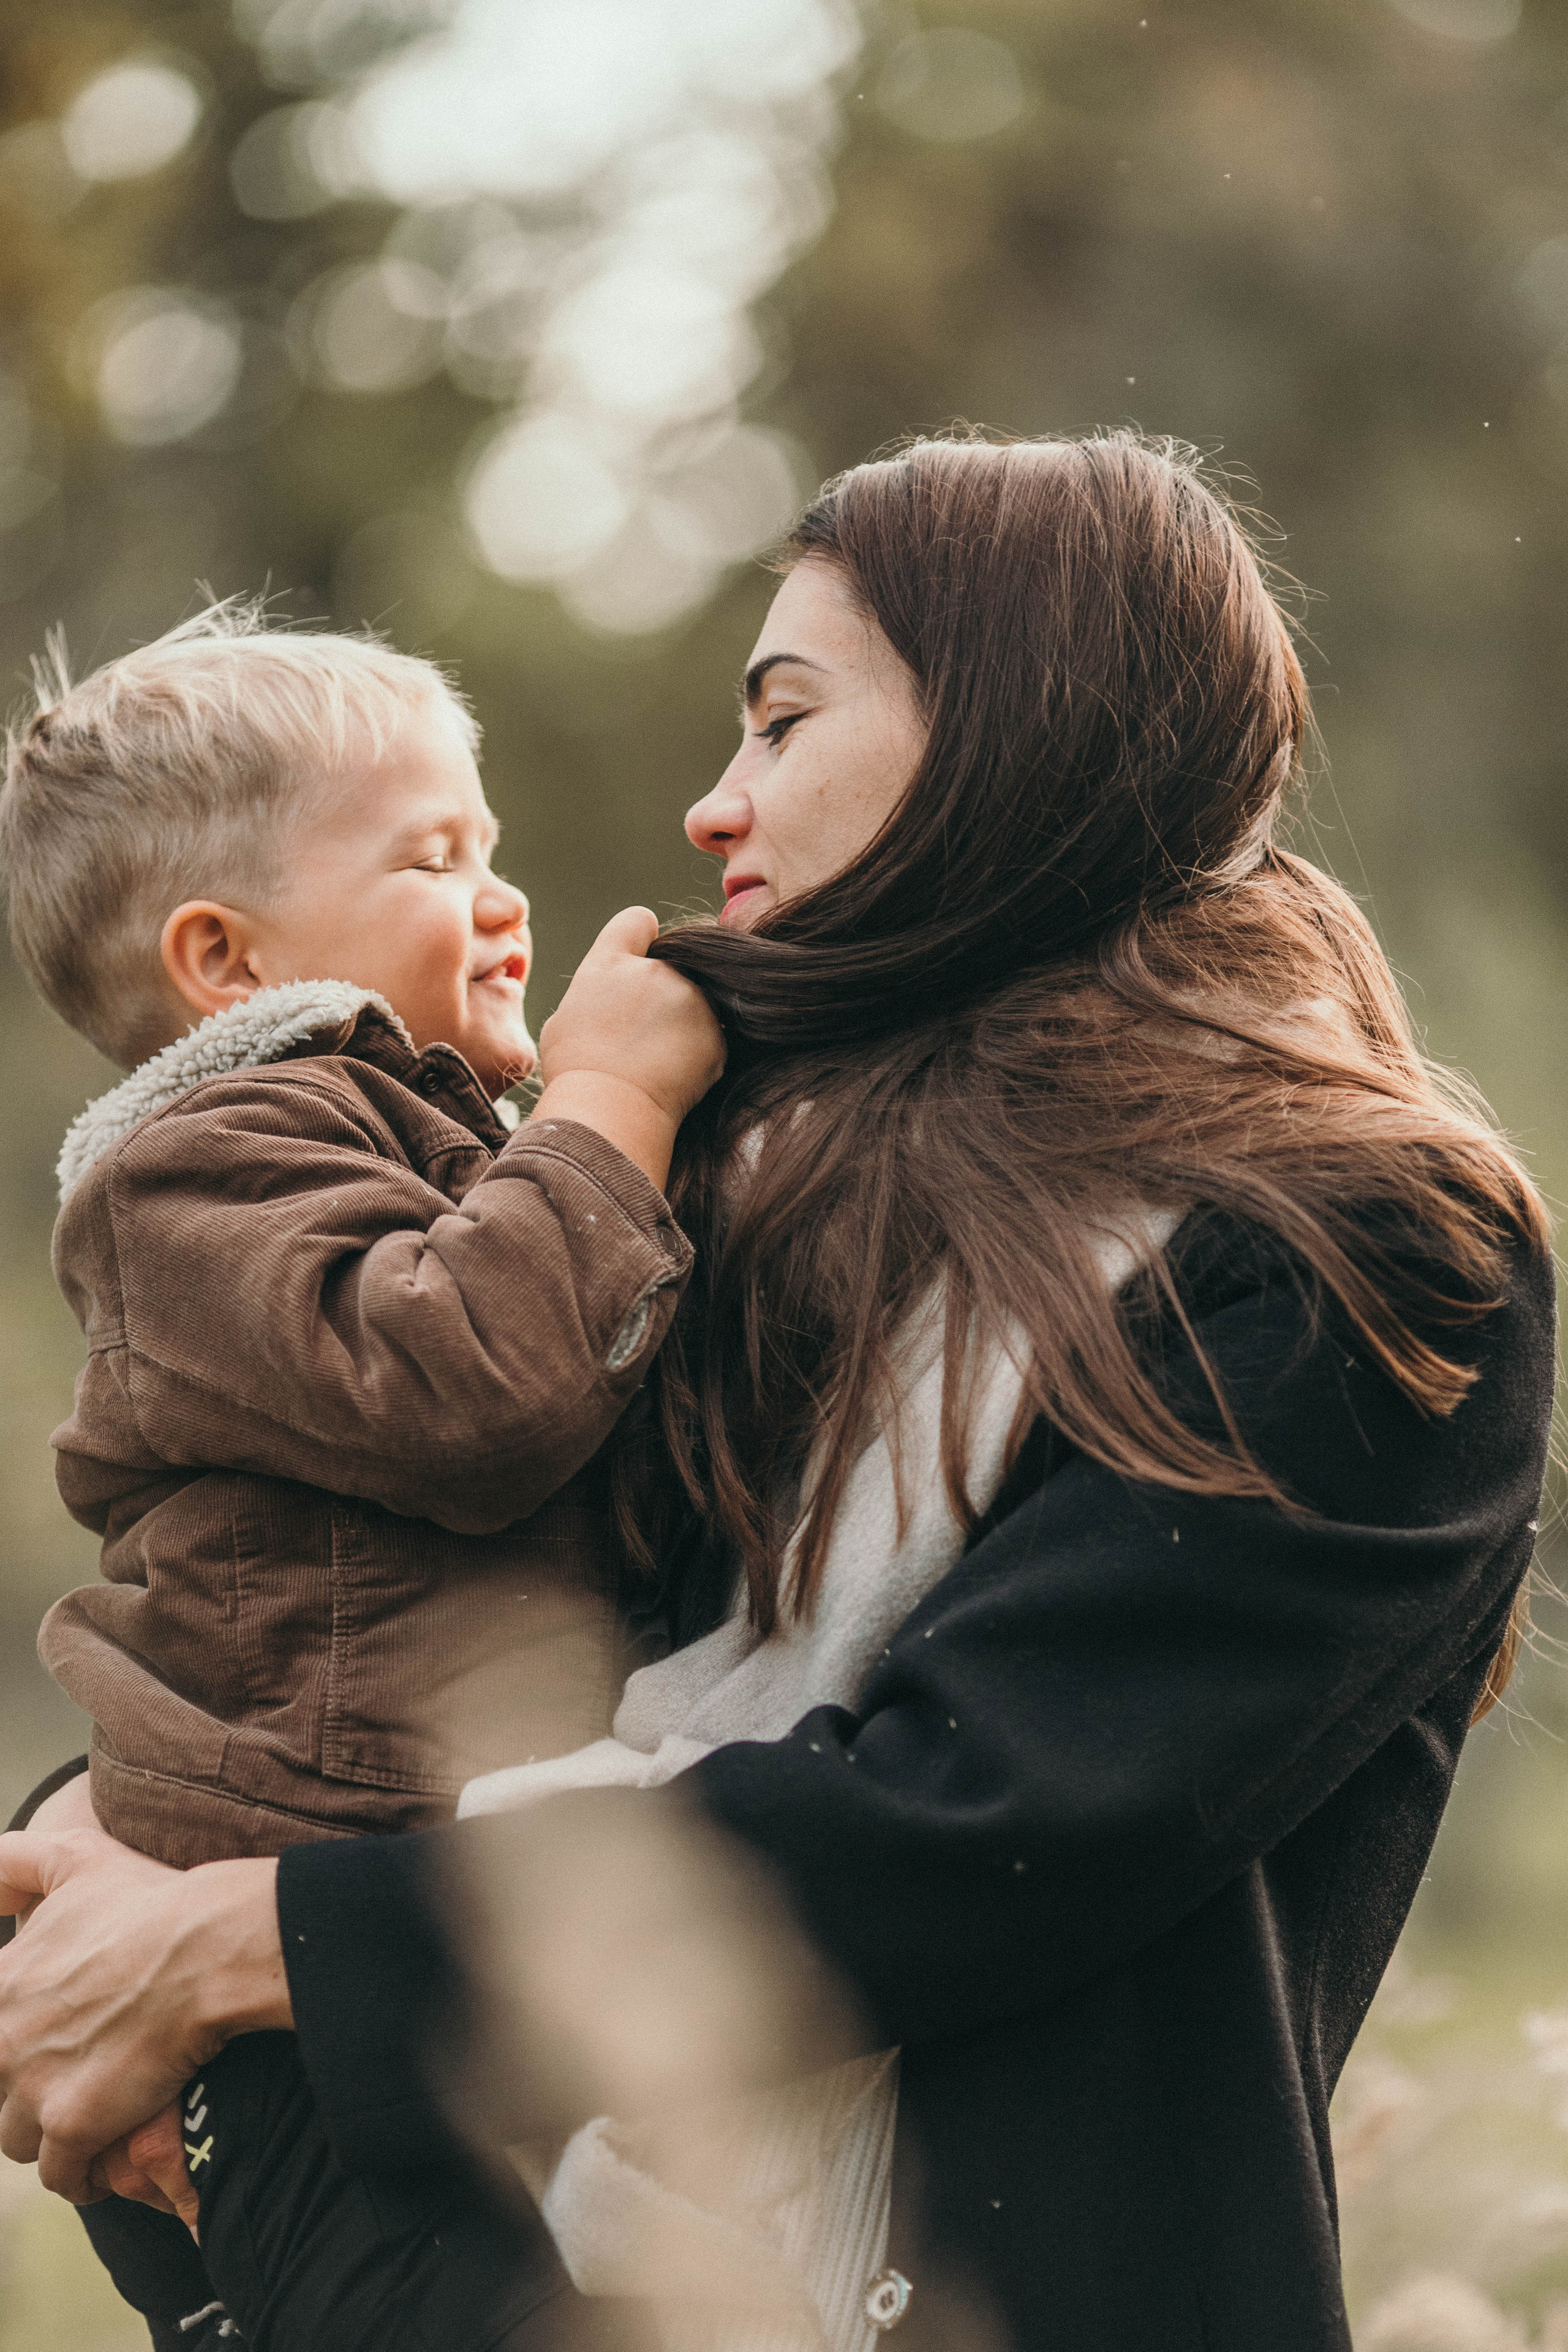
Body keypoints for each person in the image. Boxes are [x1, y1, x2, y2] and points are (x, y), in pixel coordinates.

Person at [0, 431, 1555, 2352]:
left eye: (782, 723)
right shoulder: (726, 1173)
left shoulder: (1357, 1249)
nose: (710, 803)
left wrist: (244, 1946)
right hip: (528, 2243)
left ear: (1010, 729)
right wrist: (110, 1852)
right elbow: (365, 1551)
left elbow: (971, 1830)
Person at [0, 602, 723, 2342]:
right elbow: (467, 1390)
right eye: (432, 855)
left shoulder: (402, 1134)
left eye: (492, 844)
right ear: (224, 962)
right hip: (281, 2014)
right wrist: (615, 1104)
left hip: (368, 1944)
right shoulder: (197, 1172)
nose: (504, 897)